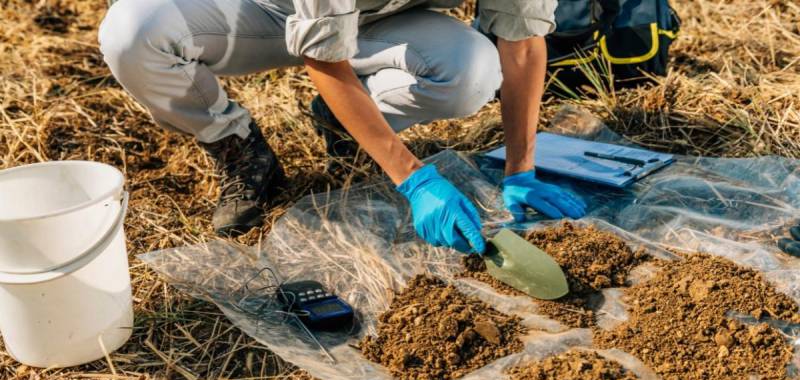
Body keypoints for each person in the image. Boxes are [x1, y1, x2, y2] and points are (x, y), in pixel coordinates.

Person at [98, 0, 587, 250]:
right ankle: (237, 144)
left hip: (381, 16)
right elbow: (324, 57)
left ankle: (346, 121)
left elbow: (520, 44)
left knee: (472, 73)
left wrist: (521, 169)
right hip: (257, 11)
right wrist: (414, 180)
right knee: (135, 32)